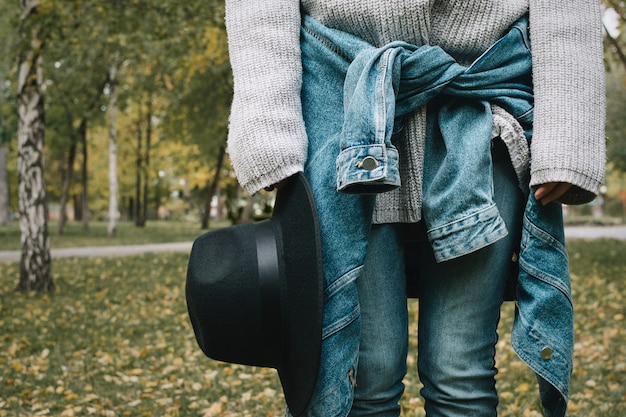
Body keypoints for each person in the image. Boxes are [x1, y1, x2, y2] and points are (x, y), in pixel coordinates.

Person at [223, 1, 606, 416]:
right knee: (364, 373)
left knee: (460, 373)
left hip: (484, 105)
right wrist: (267, 129)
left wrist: (570, 130)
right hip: (343, 105)